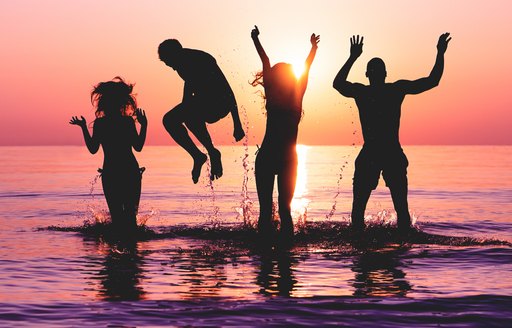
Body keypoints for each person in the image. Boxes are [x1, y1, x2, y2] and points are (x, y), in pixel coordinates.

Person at [333, 33, 451, 231]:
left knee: (366, 212)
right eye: (375, 71)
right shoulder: (392, 90)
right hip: (383, 153)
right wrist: (440, 53)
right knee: (393, 211)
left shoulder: (372, 92)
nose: (377, 74)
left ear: (372, 75)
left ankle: (362, 246)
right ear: (380, 74)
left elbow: (338, 84)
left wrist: (353, 57)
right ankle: (399, 247)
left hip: (384, 153)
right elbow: (433, 80)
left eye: (377, 71)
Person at [251, 25, 319, 242]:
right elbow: (306, 67)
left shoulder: (275, 96)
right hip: (286, 158)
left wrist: (256, 39)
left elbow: (266, 61)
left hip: (272, 156)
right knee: (284, 211)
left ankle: (264, 257)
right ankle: (286, 258)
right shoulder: (296, 97)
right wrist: (313, 49)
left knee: (270, 212)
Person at [158, 39, 245, 184]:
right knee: (170, 120)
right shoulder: (183, 65)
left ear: (176, 54)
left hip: (220, 104)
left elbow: (228, 91)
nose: (171, 67)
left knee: (187, 113)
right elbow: (188, 92)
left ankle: (211, 152)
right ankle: (199, 155)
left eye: (169, 62)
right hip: (203, 104)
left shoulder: (201, 60)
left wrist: (237, 123)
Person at [70, 77, 147, 235]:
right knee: (131, 218)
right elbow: (138, 147)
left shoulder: (100, 123)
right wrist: (144, 126)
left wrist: (83, 127)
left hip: (111, 173)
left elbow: (93, 149)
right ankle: (132, 255)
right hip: (130, 171)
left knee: (117, 218)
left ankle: (116, 255)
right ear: (122, 103)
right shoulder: (127, 122)